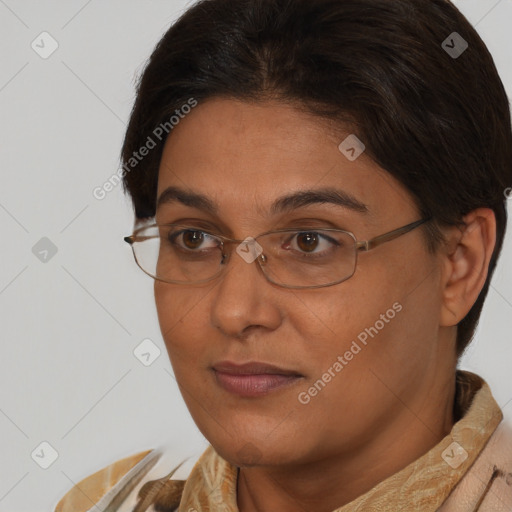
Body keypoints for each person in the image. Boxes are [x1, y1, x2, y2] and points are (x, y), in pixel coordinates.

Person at [55, 0, 512, 510]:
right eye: (194, 239)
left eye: (310, 241)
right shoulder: (107, 502)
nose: (233, 311)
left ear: (459, 264)